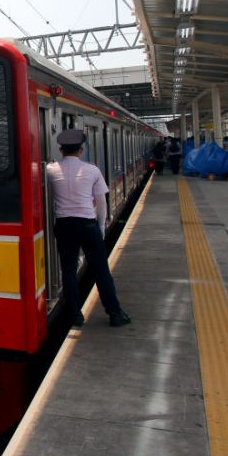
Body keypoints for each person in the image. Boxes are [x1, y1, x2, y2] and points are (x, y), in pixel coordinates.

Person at [46, 129, 131, 328]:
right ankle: (115, 313)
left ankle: (74, 315)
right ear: (81, 150)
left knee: (68, 270)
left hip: (64, 225)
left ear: (60, 149)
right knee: (100, 270)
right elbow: (101, 202)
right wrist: (101, 226)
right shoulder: (92, 170)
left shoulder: (50, 170)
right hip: (87, 224)